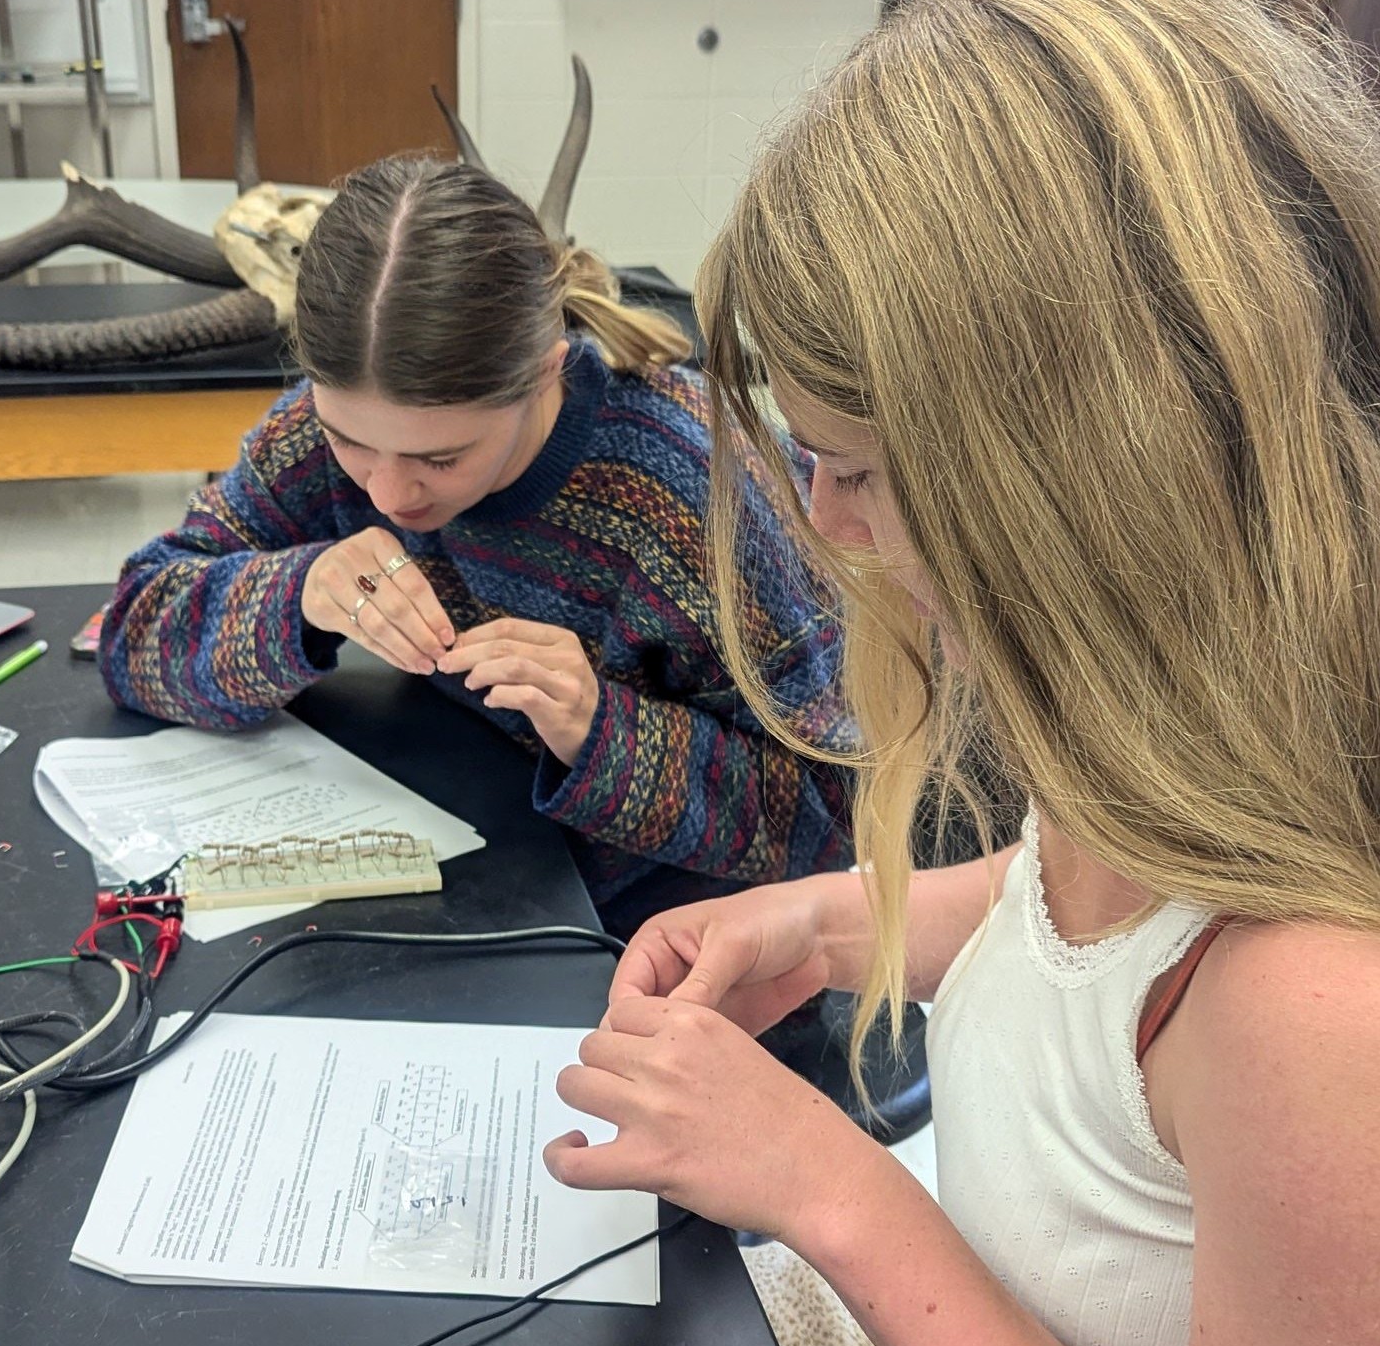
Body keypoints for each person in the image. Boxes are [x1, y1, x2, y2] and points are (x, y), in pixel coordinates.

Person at [546, 0, 1380, 1346]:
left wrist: (834, 1188)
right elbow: (1086, 949)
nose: (824, 525)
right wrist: (828, 920)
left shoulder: (1325, 1007)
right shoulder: (1175, 721)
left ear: (1076, 481)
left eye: (859, 468)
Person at [99, 155, 854, 933]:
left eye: (441, 458)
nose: (388, 495)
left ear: (545, 374)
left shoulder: (702, 494)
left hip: (658, 936)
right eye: (349, 441)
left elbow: (839, 818)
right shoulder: (324, 433)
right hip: (465, 863)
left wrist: (602, 729)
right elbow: (132, 632)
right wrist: (298, 594)